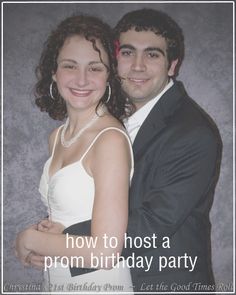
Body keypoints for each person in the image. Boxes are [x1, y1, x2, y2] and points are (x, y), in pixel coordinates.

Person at [15, 15, 134, 293]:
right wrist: (45, 235)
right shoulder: (57, 137)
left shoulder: (110, 140)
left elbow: (106, 251)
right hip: (58, 280)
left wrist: (28, 239)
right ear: (54, 72)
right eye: (70, 66)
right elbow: (71, 219)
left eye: (95, 68)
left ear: (109, 76)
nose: (82, 79)